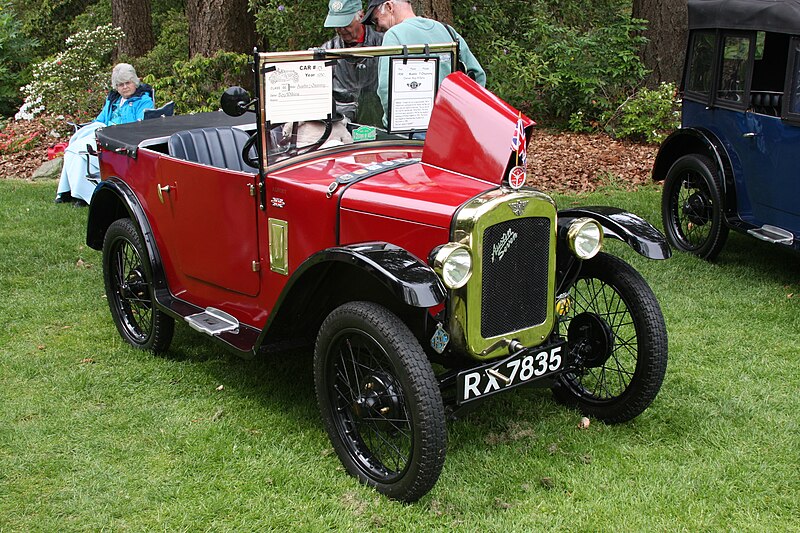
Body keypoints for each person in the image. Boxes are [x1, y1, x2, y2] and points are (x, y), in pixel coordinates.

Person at [361, 0, 486, 129]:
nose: (377, 28)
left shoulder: (393, 35)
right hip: (452, 126)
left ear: (389, 7)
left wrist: (391, 124)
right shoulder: (447, 30)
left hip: (414, 130)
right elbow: (477, 75)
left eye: (376, 20)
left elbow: (386, 88)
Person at [55, 63, 154, 206]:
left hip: (120, 140)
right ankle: (67, 191)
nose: (125, 87)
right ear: (116, 86)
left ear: (135, 82)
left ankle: (84, 196)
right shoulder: (114, 99)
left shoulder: (143, 101)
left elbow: (140, 125)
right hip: (103, 134)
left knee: (78, 151)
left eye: (128, 83)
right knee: (73, 149)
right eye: (120, 84)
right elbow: (100, 120)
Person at [320, 0, 384, 125]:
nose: (341, 29)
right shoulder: (329, 49)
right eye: (337, 25)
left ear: (361, 16)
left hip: (379, 119)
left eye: (346, 23)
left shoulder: (383, 43)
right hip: (341, 121)